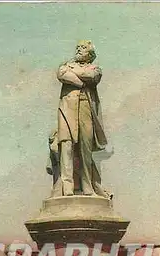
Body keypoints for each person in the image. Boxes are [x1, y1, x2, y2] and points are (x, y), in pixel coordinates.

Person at [57, 40, 108, 197]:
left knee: (85, 146)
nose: (79, 49)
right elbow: (61, 74)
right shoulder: (66, 65)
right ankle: (67, 186)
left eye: (83, 48)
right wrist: (81, 83)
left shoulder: (95, 68)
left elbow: (93, 76)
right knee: (66, 144)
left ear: (90, 53)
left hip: (86, 107)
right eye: (77, 47)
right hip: (67, 108)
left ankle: (87, 185)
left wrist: (74, 75)